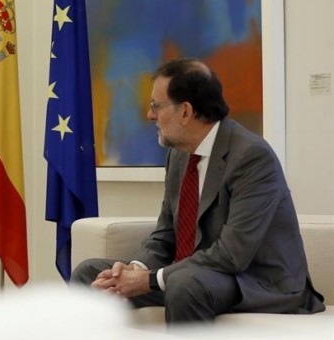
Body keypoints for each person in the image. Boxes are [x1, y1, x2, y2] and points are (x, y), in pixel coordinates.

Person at [71, 58, 325, 324]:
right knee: (90, 274)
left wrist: (148, 280)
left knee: (184, 284)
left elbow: (232, 254)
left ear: (185, 112)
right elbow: (165, 236)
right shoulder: (178, 157)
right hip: (194, 276)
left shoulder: (251, 156)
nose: (149, 115)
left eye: (156, 106)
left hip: (256, 281)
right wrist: (135, 269)